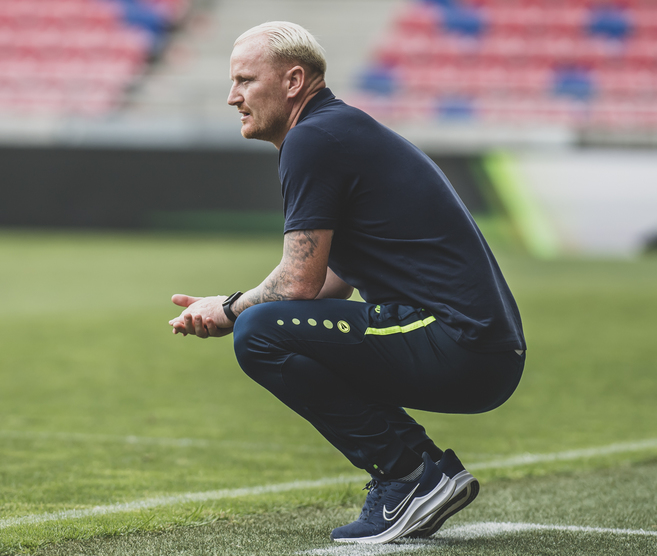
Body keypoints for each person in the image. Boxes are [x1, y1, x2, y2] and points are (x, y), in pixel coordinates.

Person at [168, 21, 526, 545]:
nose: (232, 97)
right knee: (273, 326)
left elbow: (296, 283)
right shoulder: (336, 131)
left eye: (245, 80)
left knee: (259, 333)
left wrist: (228, 308)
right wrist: (238, 305)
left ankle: (406, 477)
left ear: (294, 81)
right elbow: (325, 287)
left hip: (458, 344)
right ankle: (424, 472)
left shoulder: (312, 138)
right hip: (482, 352)